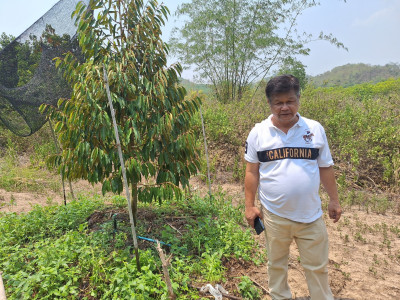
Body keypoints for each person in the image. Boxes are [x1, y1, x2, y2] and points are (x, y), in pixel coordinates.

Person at [244, 74, 342, 300]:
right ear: (270, 104)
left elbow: (325, 167)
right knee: (276, 266)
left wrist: (334, 200)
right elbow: (251, 172)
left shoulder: (315, 129)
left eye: (290, 101)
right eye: (278, 102)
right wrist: (250, 206)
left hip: (311, 215)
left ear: (298, 99)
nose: (285, 107)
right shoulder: (258, 132)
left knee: (317, 267)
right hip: (275, 215)